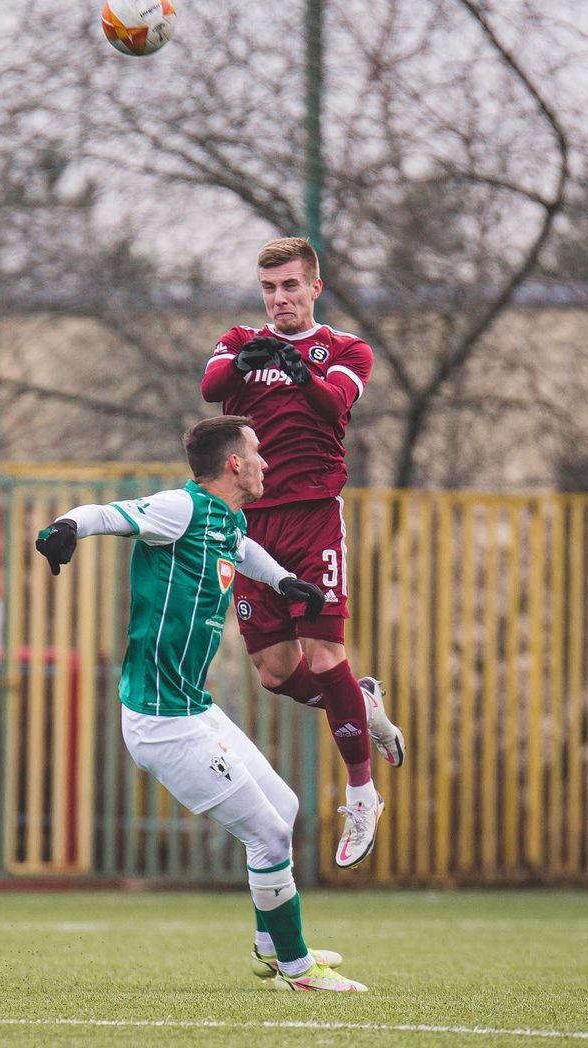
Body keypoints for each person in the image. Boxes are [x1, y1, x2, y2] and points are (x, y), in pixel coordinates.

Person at [35, 415, 366, 992]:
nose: (266, 462)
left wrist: (285, 581)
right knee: (267, 833)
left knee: (282, 809)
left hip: (193, 706)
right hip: (161, 722)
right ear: (234, 463)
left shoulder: (225, 518)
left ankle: (270, 949)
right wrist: (66, 526)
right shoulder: (179, 509)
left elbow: (243, 549)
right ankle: (297, 969)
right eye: (258, 452)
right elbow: (109, 514)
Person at [200, 236, 405, 871]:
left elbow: (334, 403)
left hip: (313, 519)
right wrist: (246, 362)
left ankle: (361, 794)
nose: (280, 298)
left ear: (315, 286)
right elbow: (212, 388)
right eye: (270, 288)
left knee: (324, 654)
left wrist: (296, 369)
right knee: (274, 672)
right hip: (249, 527)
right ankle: (357, 701)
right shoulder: (239, 340)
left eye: (291, 286)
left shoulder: (346, 350)